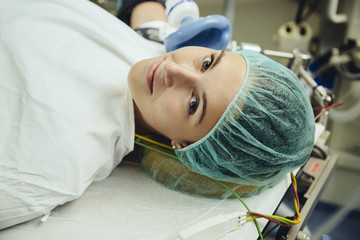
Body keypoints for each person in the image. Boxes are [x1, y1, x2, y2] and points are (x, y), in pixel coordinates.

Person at [0, 0, 315, 229]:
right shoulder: (149, 46)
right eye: (207, 63)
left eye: (193, 104)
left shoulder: (51, 167)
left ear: (186, 147)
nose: (174, 68)